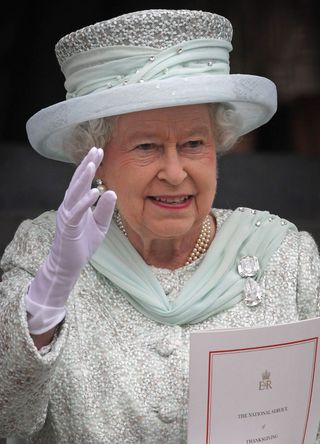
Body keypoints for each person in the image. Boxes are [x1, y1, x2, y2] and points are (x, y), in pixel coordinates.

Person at [0, 9, 319, 444]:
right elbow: (8, 421)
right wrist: (45, 303)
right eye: (147, 146)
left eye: (193, 144)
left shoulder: (290, 258)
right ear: (93, 160)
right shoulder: (44, 253)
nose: (175, 172)